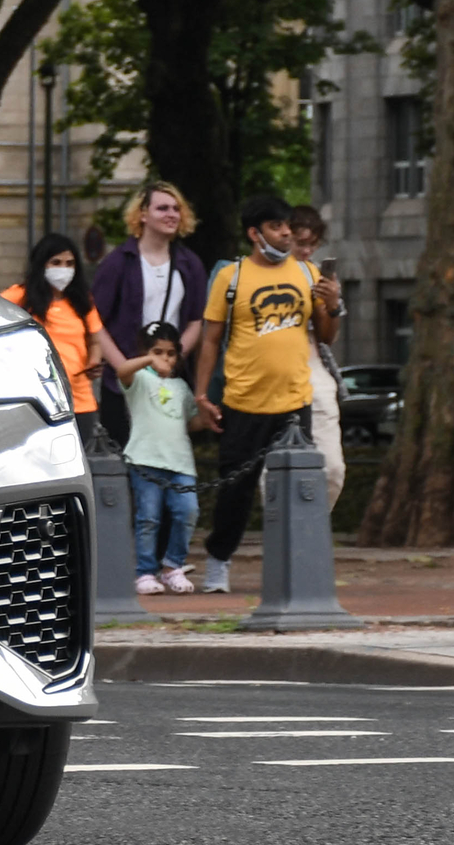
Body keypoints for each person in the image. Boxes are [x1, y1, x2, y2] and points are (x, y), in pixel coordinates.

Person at [192, 193, 341, 593]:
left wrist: (333, 305)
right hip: (243, 402)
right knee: (234, 491)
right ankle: (219, 561)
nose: (287, 232)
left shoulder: (308, 274)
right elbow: (210, 341)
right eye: (277, 227)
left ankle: (297, 565)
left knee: (298, 487)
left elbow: (325, 337)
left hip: (295, 403)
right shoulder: (232, 277)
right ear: (255, 234)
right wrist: (202, 395)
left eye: (288, 226)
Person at [91, 182, 210, 444]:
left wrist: (170, 359)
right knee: (124, 454)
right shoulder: (118, 262)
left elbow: (195, 321)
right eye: (162, 208)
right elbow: (95, 320)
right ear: (142, 214)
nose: (172, 214)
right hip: (123, 382)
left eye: (176, 209)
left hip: (169, 379)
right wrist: (123, 366)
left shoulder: (190, 264)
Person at [107, 320, 199, 595]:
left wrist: (207, 413)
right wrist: (148, 360)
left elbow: (192, 422)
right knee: (148, 517)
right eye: (158, 352)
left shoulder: (182, 387)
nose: (165, 359)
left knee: (187, 511)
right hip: (145, 460)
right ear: (146, 352)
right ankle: (145, 572)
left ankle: (173, 566)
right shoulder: (139, 380)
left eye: (171, 353)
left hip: (181, 461)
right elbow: (122, 369)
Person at [3, 233, 122, 430]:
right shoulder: (19, 297)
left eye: (69, 263)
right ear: (41, 264)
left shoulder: (82, 300)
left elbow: (95, 338)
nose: (63, 269)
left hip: (81, 400)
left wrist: (94, 360)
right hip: (35, 400)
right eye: (56, 262)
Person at [287, 204, 346, 507]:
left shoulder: (315, 275)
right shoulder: (255, 273)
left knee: (332, 467)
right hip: (273, 371)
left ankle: (314, 529)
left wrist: (331, 304)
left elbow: (328, 337)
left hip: (313, 367)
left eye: (313, 244)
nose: (307, 251)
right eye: (301, 243)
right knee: (273, 465)